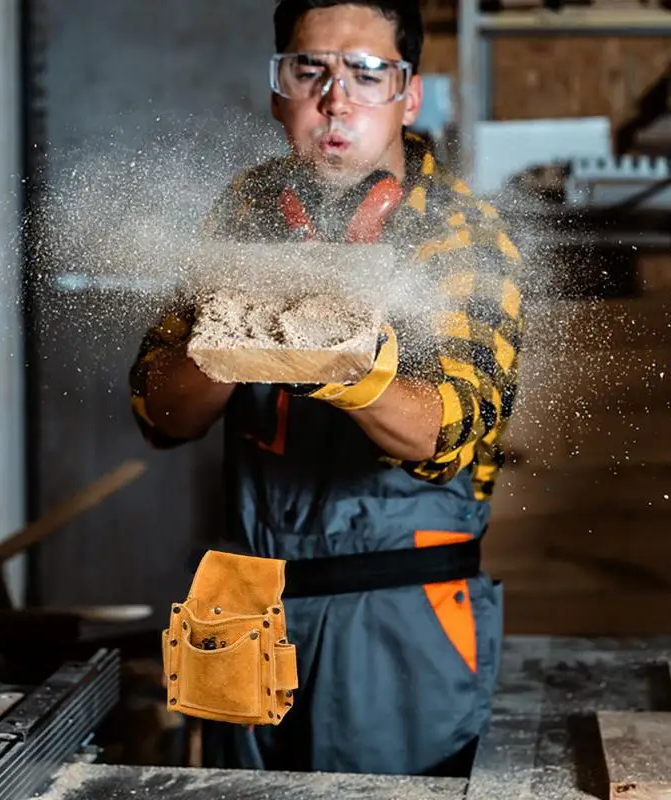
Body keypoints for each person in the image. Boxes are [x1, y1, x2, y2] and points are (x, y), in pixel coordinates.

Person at [129, 0, 524, 777]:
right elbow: (158, 413)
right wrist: (229, 344)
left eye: (366, 73)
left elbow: (451, 434)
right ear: (280, 91)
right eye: (309, 71)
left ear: (408, 95)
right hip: (247, 603)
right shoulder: (240, 215)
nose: (335, 98)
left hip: (396, 615)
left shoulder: (460, 235)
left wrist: (356, 372)